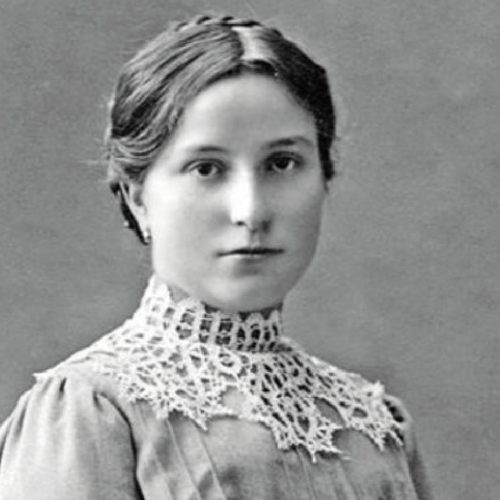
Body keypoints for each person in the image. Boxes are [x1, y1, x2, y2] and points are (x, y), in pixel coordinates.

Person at [0, 14, 433, 499]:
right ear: (138, 196)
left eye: (282, 163)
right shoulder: (96, 407)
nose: (251, 211)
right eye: (206, 168)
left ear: (323, 177)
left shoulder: (372, 421)